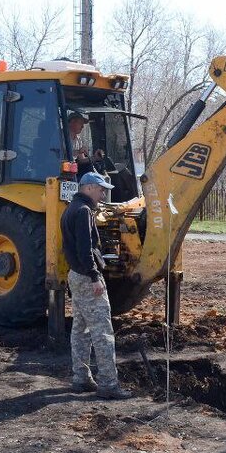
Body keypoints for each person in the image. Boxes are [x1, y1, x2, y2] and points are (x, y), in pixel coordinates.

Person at [61, 170, 133, 400]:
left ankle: (81, 378)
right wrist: (94, 277)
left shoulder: (71, 210)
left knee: (80, 330)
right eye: (101, 189)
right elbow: (84, 249)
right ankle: (109, 384)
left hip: (75, 276)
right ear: (89, 188)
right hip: (86, 277)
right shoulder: (83, 212)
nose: (103, 194)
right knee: (102, 332)